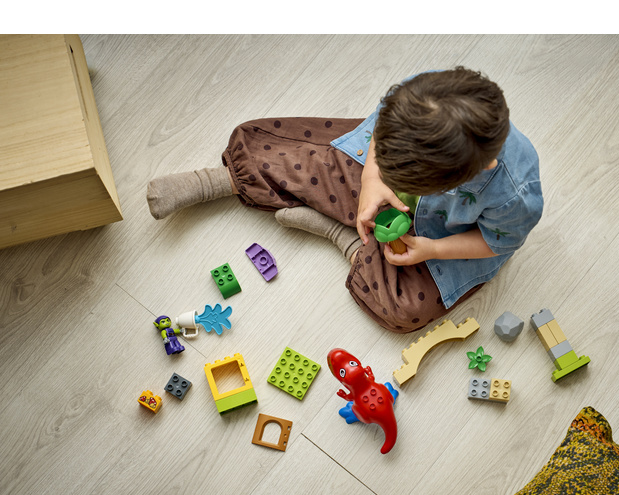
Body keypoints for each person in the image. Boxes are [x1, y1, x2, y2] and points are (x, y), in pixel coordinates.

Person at [147, 67, 543, 333]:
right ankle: (214, 182)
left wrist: (432, 249)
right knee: (298, 154)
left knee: (405, 308)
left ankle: (345, 239)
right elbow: (380, 132)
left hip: (441, 237)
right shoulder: (419, 96)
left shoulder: (515, 195)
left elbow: (495, 242)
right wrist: (372, 177)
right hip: (376, 174)